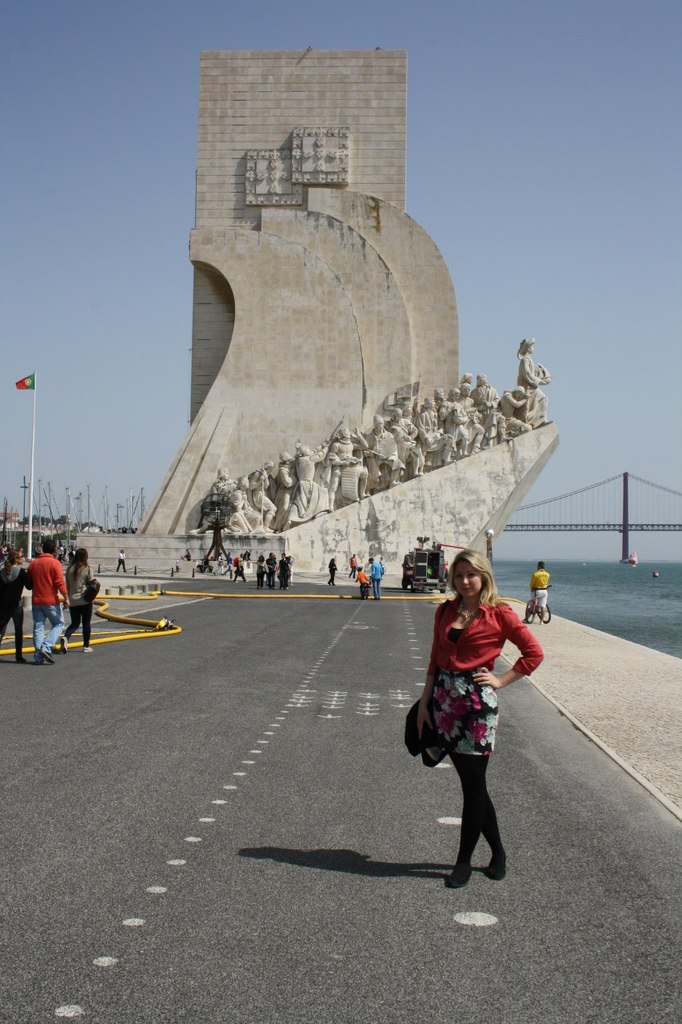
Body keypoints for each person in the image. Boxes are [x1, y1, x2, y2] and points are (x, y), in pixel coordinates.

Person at [417, 548, 543, 888]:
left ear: (484, 576)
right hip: (445, 702)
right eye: (459, 575)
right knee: (473, 785)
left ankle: (463, 862)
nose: (465, 581)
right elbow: (435, 658)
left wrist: (500, 680)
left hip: (476, 707)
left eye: (471, 574)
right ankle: (498, 853)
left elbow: (533, 654)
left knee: (473, 785)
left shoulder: (500, 613)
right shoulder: (446, 610)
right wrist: (425, 703)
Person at [27, 538, 69, 665]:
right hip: (50, 600)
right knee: (59, 624)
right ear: (54, 550)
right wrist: (66, 597)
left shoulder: (33, 563)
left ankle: (38, 656)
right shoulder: (55, 563)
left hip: (36, 600)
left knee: (38, 628)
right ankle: (46, 647)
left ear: (43, 549)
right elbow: (59, 582)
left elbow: (29, 583)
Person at [0, 549, 32, 663]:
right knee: (18, 630)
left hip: (3, 604)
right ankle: (19, 655)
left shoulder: (2, 572)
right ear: (17, 559)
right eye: (21, 557)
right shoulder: (21, 572)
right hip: (16, 604)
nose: (23, 559)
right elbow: (29, 586)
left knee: (2, 628)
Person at [62, 548, 95, 653]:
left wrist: (66, 599)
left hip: (73, 600)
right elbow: (93, 584)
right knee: (86, 623)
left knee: (75, 623)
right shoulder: (87, 569)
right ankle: (86, 646)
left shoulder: (69, 569)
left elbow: (67, 586)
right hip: (85, 600)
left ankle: (66, 637)